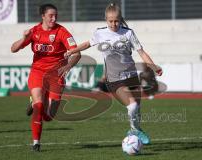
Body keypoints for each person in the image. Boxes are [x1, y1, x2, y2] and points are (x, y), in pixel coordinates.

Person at [65, 3, 162, 145]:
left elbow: (141, 52)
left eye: (116, 20)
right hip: (114, 79)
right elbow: (87, 44)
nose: (113, 24)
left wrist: (154, 67)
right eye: (110, 21)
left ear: (120, 19)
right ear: (106, 19)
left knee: (137, 109)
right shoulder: (100, 33)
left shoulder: (128, 33)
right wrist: (72, 51)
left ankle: (135, 130)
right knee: (132, 106)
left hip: (132, 76)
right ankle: (135, 131)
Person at [10, 4, 81, 151]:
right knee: (39, 106)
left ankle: (37, 105)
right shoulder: (34, 31)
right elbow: (13, 49)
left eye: (55, 15)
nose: (54, 18)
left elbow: (77, 53)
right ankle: (36, 143)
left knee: (49, 116)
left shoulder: (62, 32)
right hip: (37, 73)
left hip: (56, 75)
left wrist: (68, 66)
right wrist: (23, 38)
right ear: (43, 16)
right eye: (50, 15)